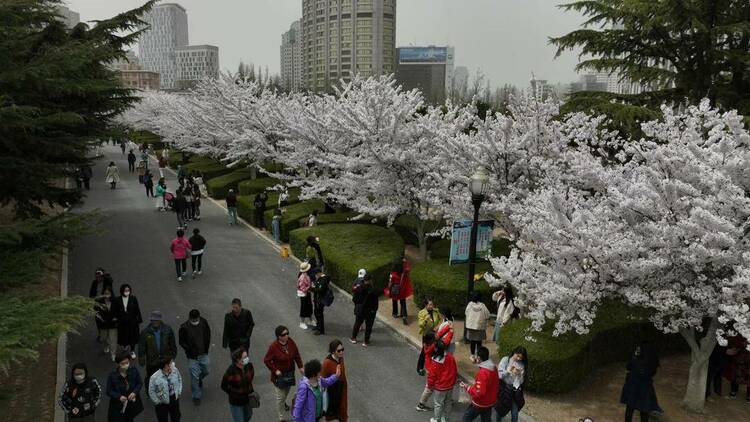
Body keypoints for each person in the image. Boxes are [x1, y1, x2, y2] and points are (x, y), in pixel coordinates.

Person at [264, 326, 304, 422]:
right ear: (279, 336)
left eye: (287, 333)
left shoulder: (290, 342)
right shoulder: (273, 347)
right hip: (279, 377)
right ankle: (281, 417)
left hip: (289, 374)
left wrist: (300, 366)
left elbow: (297, 355)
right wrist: (275, 370)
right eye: (284, 334)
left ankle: (283, 403)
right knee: (280, 397)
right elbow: (267, 360)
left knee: (286, 392)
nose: (287, 335)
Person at [620, 341, 661, 421]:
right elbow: (653, 372)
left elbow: (628, 367)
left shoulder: (638, 358)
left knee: (631, 408)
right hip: (644, 386)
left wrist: (634, 357)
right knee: (644, 410)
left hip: (634, 385)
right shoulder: (651, 356)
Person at [178, 309, 211, 405]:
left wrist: (206, 347)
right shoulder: (184, 328)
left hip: (203, 353)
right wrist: (189, 350)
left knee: (206, 370)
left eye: (196, 319)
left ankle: (199, 379)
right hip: (192, 357)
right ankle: (196, 396)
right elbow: (182, 342)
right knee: (194, 376)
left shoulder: (204, 322)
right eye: (193, 320)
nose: (195, 321)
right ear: (189, 319)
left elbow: (208, 334)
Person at [138, 311, 177, 389]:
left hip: (165, 359)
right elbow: (141, 347)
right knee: (151, 377)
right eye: (153, 320)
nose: (154, 322)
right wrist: (141, 359)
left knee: (166, 377)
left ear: (160, 320)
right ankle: (149, 391)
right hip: (152, 360)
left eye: (156, 320)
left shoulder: (167, 329)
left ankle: (163, 392)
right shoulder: (145, 332)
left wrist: (173, 355)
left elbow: (172, 343)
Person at [460, 346, 499, 422]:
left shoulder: (483, 373)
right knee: (486, 419)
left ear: (479, 358)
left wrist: (467, 387)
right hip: (490, 401)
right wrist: (476, 362)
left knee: (466, 418)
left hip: (480, 403)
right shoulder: (493, 367)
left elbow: (479, 392)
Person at [106, 351, 144, 422]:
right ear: (118, 364)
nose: (125, 365)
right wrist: (119, 396)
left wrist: (134, 392)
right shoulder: (112, 376)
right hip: (118, 405)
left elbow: (139, 383)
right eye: (122, 364)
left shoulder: (134, 371)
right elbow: (109, 391)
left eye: (127, 363)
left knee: (130, 418)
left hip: (130, 403)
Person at [221, 347, 256, 422]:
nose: (247, 358)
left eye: (247, 356)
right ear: (238, 360)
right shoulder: (231, 371)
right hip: (236, 402)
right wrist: (233, 393)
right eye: (245, 357)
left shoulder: (249, 366)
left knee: (248, 416)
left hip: (247, 399)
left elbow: (251, 377)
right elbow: (223, 385)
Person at [495, 346, 528, 422]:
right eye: (518, 356)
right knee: (500, 411)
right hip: (503, 390)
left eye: (521, 358)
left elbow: (521, 381)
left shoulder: (522, 364)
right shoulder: (505, 360)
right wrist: (509, 371)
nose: (519, 359)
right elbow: (499, 375)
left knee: (515, 414)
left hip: (514, 391)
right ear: (514, 352)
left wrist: (519, 375)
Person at [427, 341, 457, 422]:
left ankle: (437, 419)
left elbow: (432, 376)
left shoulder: (435, 361)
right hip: (450, 386)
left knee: (438, 404)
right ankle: (446, 419)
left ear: (436, 349)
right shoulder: (450, 357)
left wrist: (430, 386)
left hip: (439, 387)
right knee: (448, 403)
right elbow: (454, 371)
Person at [113, 284, 142, 359]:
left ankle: (132, 350)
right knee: (124, 335)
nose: (127, 292)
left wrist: (138, 319)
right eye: (125, 290)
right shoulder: (117, 300)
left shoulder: (133, 298)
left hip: (132, 322)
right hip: (122, 322)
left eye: (128, 290)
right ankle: (125, 345)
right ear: (122, 291)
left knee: (132, 336)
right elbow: (115, 310)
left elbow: (137, 309)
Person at [321, 340, 348, 422]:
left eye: (342, 349)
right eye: (339, 350)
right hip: (332, 393)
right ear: (333, 351)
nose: (341, 352)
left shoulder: (341, 359)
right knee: (331, 414)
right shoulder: (327, 363)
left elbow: (343, 374)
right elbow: (322, 380)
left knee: (343, 412)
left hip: (341, 390)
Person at [350, 274, 379, 347]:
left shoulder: (358, 288)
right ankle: (366, 341)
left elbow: (354, 299)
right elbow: (375, 302)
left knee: (357, 323)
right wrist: (374, 310)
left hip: (360, 309)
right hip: (370, 311)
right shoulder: (373, 290)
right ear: (370, 280)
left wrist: (357, 305)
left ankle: (353, 338)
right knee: (368, 326)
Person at [417, 298, 442, 375]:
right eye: (430, 305)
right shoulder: (422, 313)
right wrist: (425, 319)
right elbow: (420, 324)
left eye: (432, 304)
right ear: (426, 305)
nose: (431, 306)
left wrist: (437, 326)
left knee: (434, 350)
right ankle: (420, 368)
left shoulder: (436, 311)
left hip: (434, 334)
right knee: (424, 351)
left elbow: (440, 320)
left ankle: (432, 368)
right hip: (426, 334)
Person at [465, 291, 491, 363]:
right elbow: (487, 315)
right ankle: (478, 356)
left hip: (471, 327)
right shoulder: (482, 306)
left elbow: (466, 312)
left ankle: (472, 356)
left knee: (472, 342)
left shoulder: (470, 304)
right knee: (479, 343)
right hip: (480, 327)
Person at [387, 258, 414, 325]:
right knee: (403, 302)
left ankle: (395, 313)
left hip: (395, 290)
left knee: (394, 301)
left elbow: (390, 283)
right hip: (402, 289)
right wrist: (405, 261)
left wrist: (389, 289)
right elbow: (408, 267)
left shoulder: (392, 274)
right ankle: (404, 315)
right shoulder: (404, 272)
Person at [95, 286, 119, 361]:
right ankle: (107, 346)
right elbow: (96, 312)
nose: (107, 295)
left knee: (113, 339)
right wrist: (99, 319)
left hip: (112, 324)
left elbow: (119, 311)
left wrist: (117, 318)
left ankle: (113, 354)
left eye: (108, 293)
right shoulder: (99, 301)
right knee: (104, 337)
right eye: (105, 293)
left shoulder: (115, 301)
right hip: (103, 324)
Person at [723, 335, 750, 401]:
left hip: (748, 360)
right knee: (735, 375)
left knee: (749, 377)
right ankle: (733, 391)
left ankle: (749, 396)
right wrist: (740, 346)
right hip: (738, 359)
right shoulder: (739, 334)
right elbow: (733, 344)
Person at [415, 331, 437, 412]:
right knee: (429, 388)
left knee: (430, 387)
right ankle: (421, 405)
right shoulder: (432, 347)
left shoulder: (426, 346)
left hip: (429, 368)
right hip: (432, 370)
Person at [311, 270, 331, 335]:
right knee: (316, 313)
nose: (315, 276)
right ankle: (318, 326)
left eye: (316, 274)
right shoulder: (321, 279)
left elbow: (320, 290)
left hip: (320, 300)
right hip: (317, 299)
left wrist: (312, 289)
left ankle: (320, 329)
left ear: (319, 273)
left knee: (319, 314)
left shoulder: (323, 280)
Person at [297, 262, 314, 330]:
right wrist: (310, 287)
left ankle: (310, 320)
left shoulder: (305, 274)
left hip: (307, 293)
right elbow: (302, 288)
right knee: (304, 307)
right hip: (303, 294)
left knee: (309, 306)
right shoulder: (302, 277)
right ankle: (302, 322)